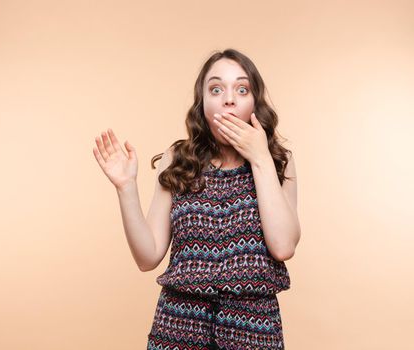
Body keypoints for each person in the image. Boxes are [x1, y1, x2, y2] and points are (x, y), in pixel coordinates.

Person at [92, 48, 301, 349]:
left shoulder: (279, 160)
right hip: (178, 327)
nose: (229, 99)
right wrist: (126, 188)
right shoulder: (177, 158)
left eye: (241, 89)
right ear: (203, 103)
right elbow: (147, 256)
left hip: (254, 331)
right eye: (216, 89)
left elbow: (283, 246)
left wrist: (260, 159)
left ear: (255, 101)